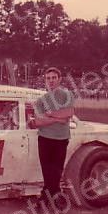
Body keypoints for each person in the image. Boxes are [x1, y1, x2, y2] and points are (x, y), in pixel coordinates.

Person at [29, 67, 75, 196]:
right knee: (46, 169)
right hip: (44, 138)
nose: (51, 81)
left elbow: (69, 113)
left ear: (59, 79)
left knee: (57, 170)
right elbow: (38, 122)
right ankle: (51, 195)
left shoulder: (67, 94)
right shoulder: (41, 100)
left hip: (61, 138)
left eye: (54, 77)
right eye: (48, 78)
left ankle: (50, 195)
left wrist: (50, 115)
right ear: (45, 80)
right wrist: (58, 118)